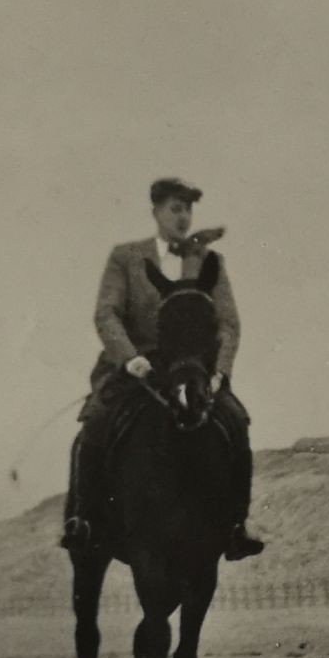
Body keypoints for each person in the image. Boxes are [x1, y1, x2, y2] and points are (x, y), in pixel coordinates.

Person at [59, 177, 265, 561]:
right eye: (175, 208)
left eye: (188, 209)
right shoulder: (125, 257)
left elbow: (228, 323)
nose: (183, 217)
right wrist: (130, 357)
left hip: (194, 369)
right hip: (137, 369)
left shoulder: (208, 261)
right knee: (97, 423)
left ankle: (237, 526)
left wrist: (219, 370)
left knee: (236, 420)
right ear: (155, 211)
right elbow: (107, 313)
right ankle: (83, 520)